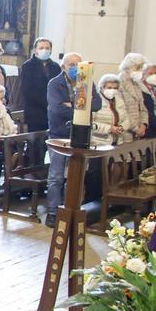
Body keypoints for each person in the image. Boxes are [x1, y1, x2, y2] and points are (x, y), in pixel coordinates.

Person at [45, 52, 102, 226]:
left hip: (80, 136)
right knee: (56, 176)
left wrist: (72, 105)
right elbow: (57, 109)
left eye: (78, 64)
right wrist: (81, 108)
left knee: (75, 175)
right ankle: (53, 212)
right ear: (63, 66)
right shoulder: (55, 83)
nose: (75, 68)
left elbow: (97, 104)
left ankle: (70, 210)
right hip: (59, 134)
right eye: (71, 65)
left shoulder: (86, 82)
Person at [19, 37, 60, 134]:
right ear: (35, 50)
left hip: (53, 111)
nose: (44, 50)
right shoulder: (28, 66)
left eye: (47, 48)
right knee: (36, 141)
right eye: (41, 48)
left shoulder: (55, 66)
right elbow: (27, 90)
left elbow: (58, 86)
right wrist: (47, 102)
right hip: (35, 112)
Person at [93, 73, 135, 146]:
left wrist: (121, 127)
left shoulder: (119, 101)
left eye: (115, 88)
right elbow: (90, 124)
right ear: (102, 87)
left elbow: (127, 120)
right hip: (99, 142)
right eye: (109, 88)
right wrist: (109, 128)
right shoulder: (95, 101)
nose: (112, 90)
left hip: (117, 141)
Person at [118, 53, 149, 140]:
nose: (141, 70)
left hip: (138, 131)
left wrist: (143, 125)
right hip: (125, 131)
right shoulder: (119, 82)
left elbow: (142, 107)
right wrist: (135, 128)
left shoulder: (136, 83)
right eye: (138, 67)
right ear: (129, 66)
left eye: (142, 67)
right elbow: (121, 110)